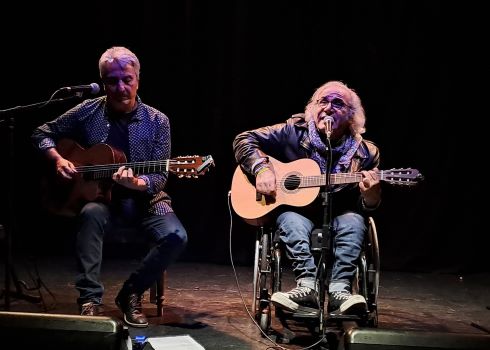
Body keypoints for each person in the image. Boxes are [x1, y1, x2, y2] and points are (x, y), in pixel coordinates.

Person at [31, 46, 188, 328]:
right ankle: (89, 299)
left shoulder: (158, 121)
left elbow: (159, 178)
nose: (120, 87)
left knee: (176, 236)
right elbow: (41, 133)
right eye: (112, 81)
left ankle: (131, 293)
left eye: (127, 79)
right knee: (91, 213)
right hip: (102, 199)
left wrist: (138, 182)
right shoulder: (88, 111)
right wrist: (57, 159)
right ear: (103, 82)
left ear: (138, 78)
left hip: (147, 200)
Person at [232, 80, 381, 315]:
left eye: (338, 103)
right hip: (298, 211)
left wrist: (371, 193)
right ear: (313, 108)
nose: (329, 108)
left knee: (355, 221)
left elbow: (369, 206)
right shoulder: (293, 131)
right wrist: (261, 168)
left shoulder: (367, 153)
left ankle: (340, 290)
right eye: (323, 101)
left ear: (352, 116)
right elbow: (244, 139)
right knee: (290, 219)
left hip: (342, 214)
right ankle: (307, 286)